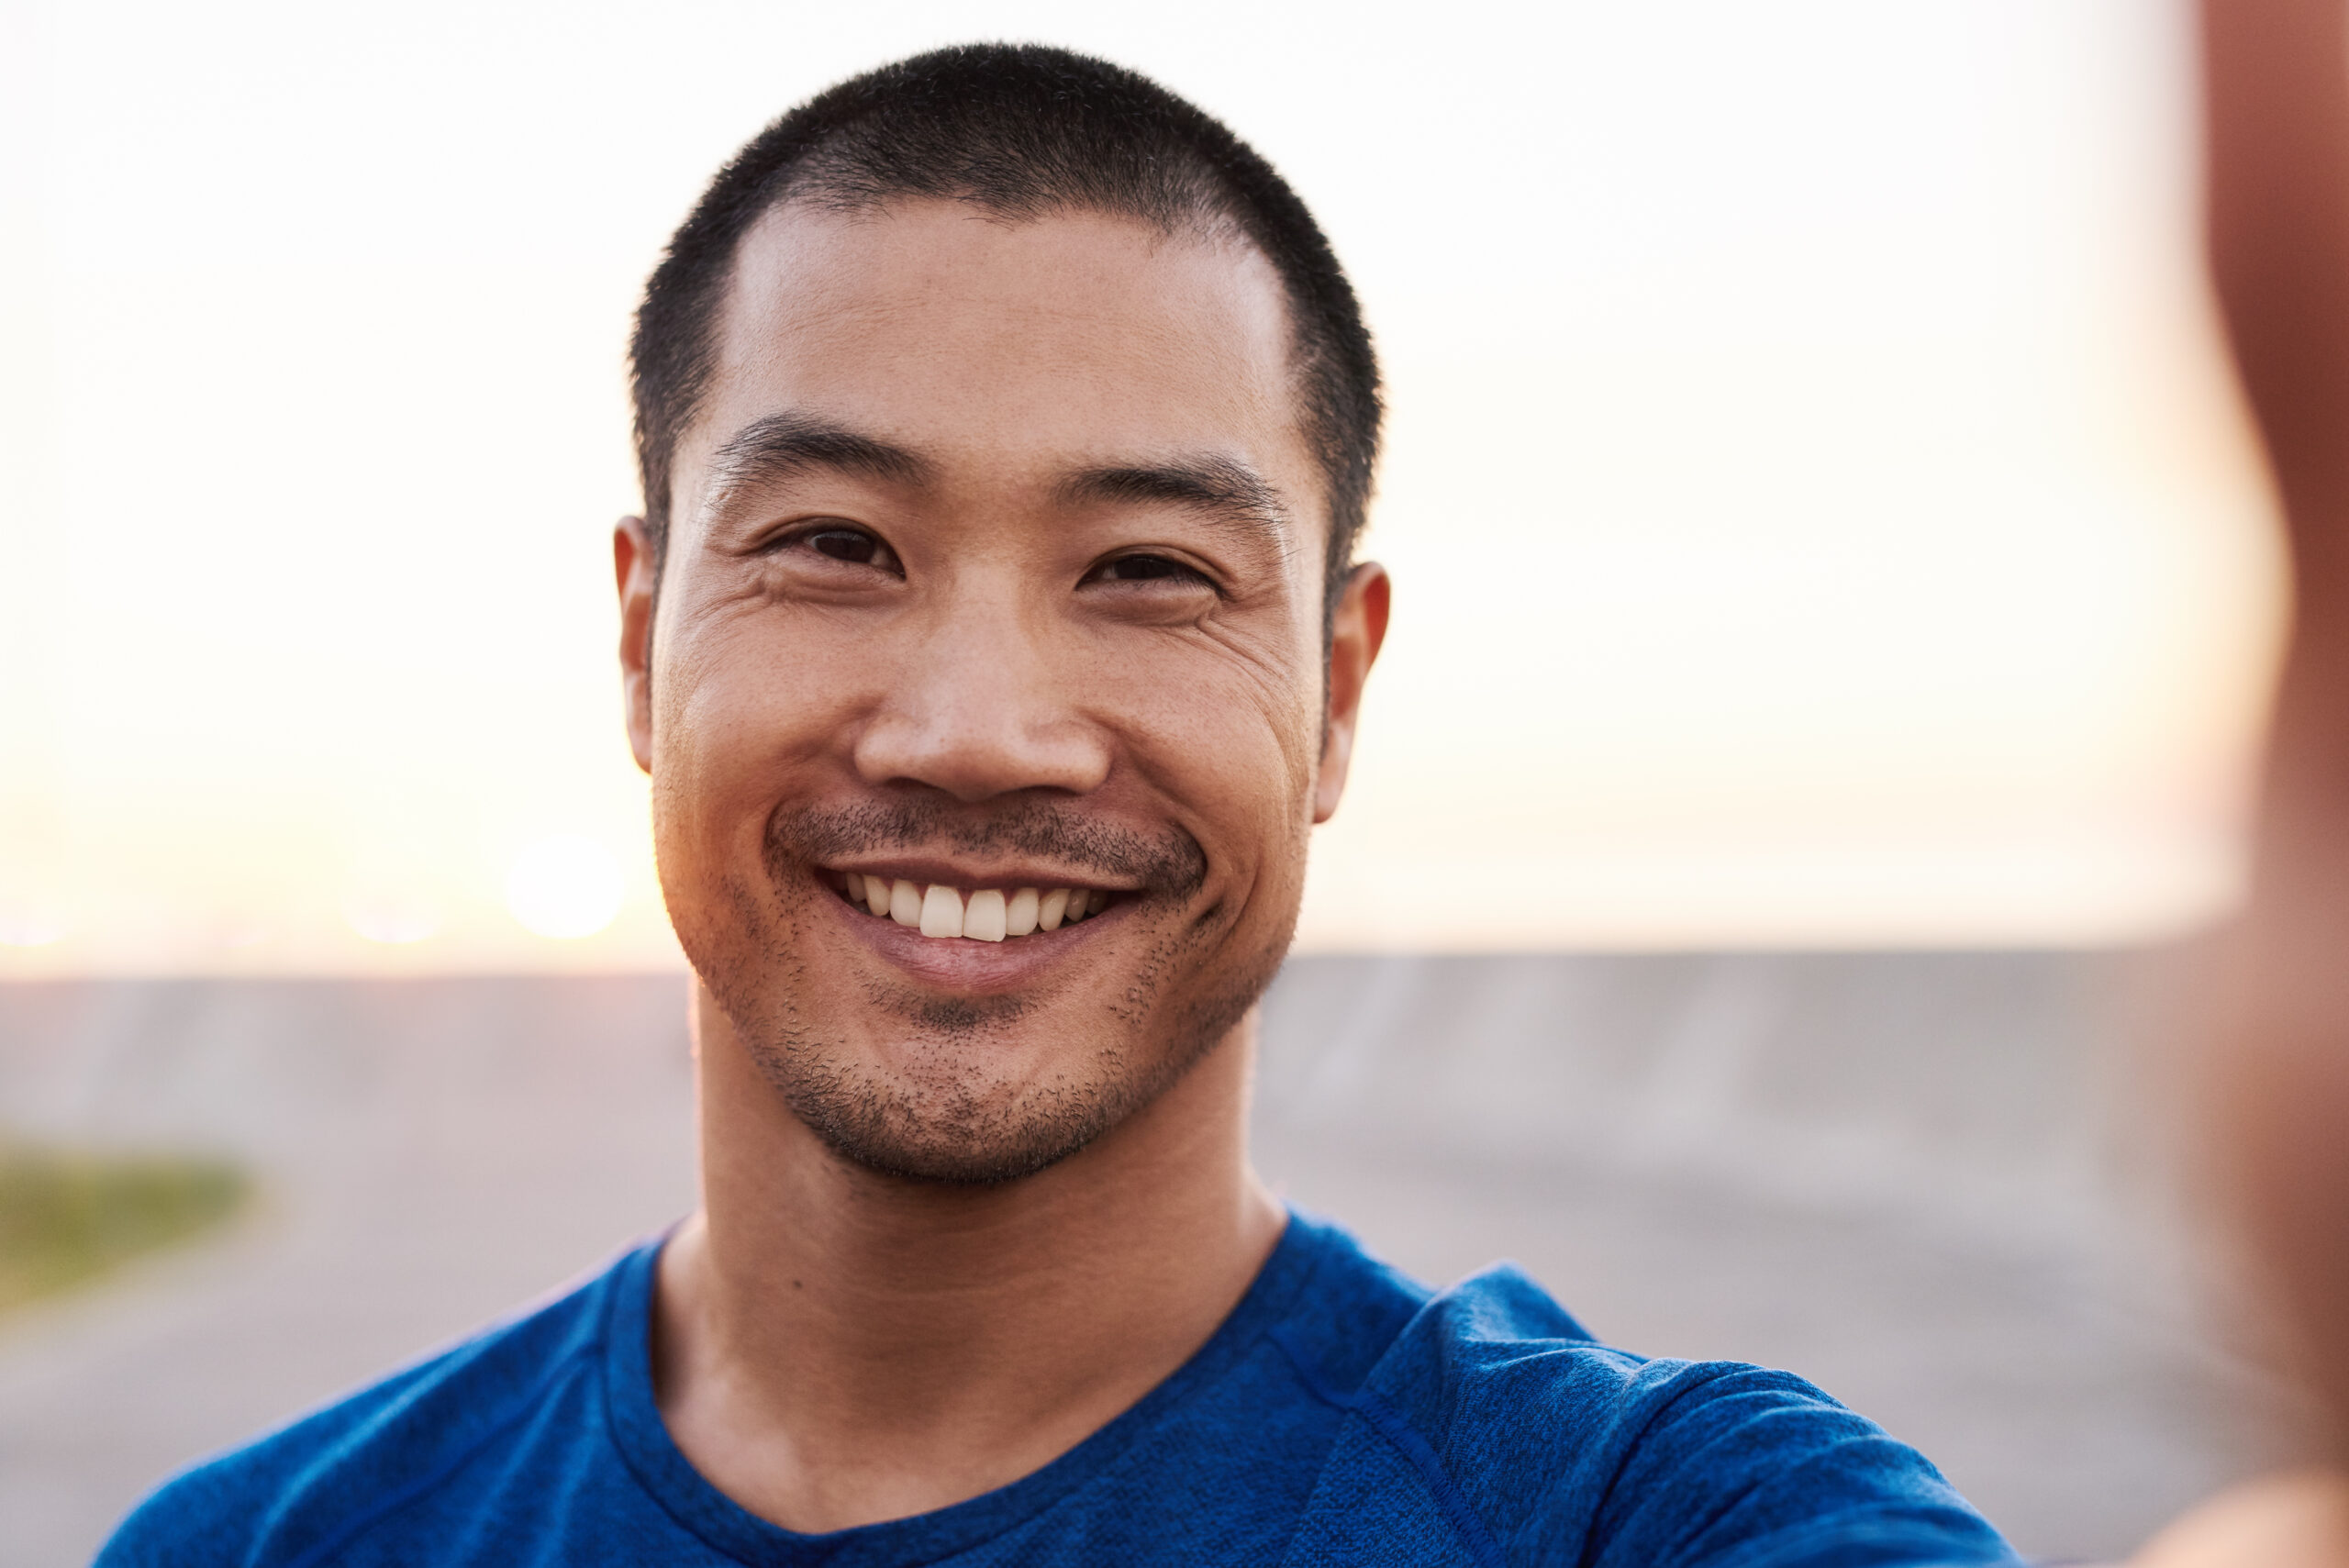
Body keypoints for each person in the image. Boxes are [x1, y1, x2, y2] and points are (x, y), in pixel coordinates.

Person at [97, 46, 2016, 1566]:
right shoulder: (258, 1548)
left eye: (1150, 571)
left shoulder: (1643, 1523)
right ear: (635, 637)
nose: (980, 731)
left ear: (1334, 691)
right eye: (836, 544)